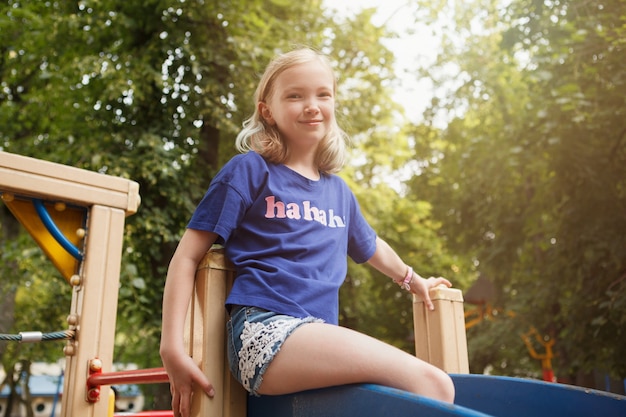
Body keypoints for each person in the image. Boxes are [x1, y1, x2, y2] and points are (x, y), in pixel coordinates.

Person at [160, 47, 455, 417]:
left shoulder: (339, 193)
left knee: (423, 389)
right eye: (295, 95)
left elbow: (371, 246)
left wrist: (415, 281)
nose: (312, 105)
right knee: (433, 384)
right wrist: (171, 347)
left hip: (314, 334)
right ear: (267, 109)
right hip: (263, 331)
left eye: (323, 94)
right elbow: (186, 257)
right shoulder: (250, 171)